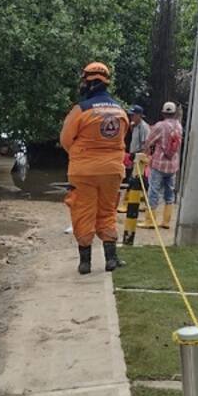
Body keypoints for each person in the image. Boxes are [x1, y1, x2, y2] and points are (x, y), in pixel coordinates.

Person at [60, 61, 129, 274]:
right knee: (107, 211)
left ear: (87, 82)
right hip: (112, 170)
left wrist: (80, 155)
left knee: (83, 212)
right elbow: (121, 138)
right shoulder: (120, 111)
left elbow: (65, 139)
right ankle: (110, 259)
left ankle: (85, 263)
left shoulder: (80, 110)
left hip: (83, 171)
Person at [139, 101, 184, 229]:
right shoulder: (179, 127)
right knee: (169, 193)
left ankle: (150, 220)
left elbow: (148, 141)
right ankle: (166, 221)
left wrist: (145, 152)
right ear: (175, 113)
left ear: (163, 113)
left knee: (154, 191)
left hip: (159, 164)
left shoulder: (160, 126)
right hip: (173, 165)